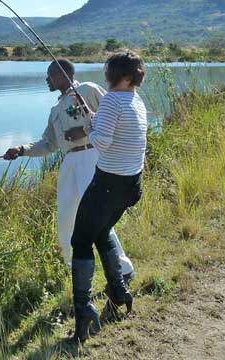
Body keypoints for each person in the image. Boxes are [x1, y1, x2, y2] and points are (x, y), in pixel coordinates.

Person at [3, 59, 134, 282]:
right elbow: (48, 144)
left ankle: (123, 269)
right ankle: (75, 267)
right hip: (69, 163)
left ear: (63, 74)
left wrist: (82, 132)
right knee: (66, 217)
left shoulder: (88, 90)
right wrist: (21, 150)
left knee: (97, 216)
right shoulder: (55, 110)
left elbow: (113, 116)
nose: (47, 80)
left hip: (92, 157)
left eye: (50, 75)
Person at [68, 50, 148, 342]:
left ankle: (84, 310)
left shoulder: (113, 99)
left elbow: (101, 141)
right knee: (102, 234)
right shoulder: (136, 100)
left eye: (109, 71)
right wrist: (96, 120)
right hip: (131, 185)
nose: (107, 75)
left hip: (107, 185)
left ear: (121, 76)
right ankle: (118, 291)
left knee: (80, 241)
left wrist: (91, 124)